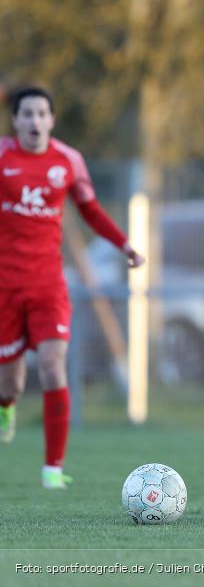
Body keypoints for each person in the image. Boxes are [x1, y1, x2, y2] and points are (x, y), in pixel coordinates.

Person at [0, 86, 144, 488]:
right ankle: (6, 405)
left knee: (52, 366)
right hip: (5, 288)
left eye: (41, 113)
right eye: (26, 114)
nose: (34, 121)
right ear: (15, 121)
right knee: (10, 382)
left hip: (48, 285)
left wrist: (124, 244)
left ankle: (53, 469)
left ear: (52, 119)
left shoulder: (68, 160)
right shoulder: (2, 157)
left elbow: (91, 210)